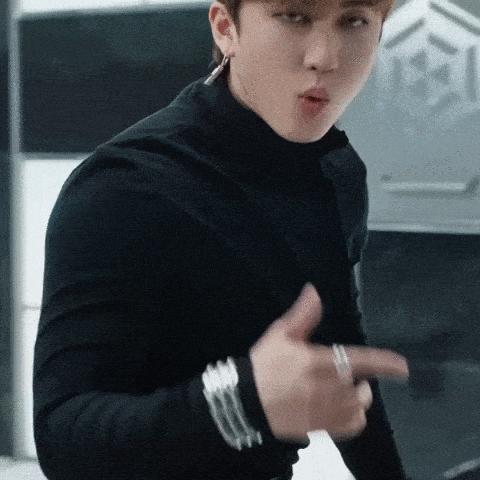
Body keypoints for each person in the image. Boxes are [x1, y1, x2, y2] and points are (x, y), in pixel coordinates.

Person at [33, 0, 410, 479]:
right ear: (226, 28)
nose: (325, 58)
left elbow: (339, 345)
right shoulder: (127, 185)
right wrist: (243, 401)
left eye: (353, 21)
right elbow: (63, 440)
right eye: (294, 16)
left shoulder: (335, 170)